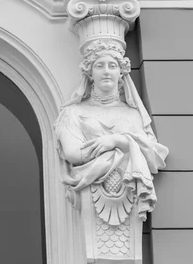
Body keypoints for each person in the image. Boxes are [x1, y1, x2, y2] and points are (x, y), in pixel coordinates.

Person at [54, 40, 168, 224]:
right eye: (100, 66)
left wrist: (116, 141)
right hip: (88, 195)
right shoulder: (73, 112)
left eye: (112, 65)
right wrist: (127, 148)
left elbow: (154, 154)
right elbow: (73, 153)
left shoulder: (134, 115)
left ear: (120, 72)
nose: (106, 71)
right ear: (90, 73)